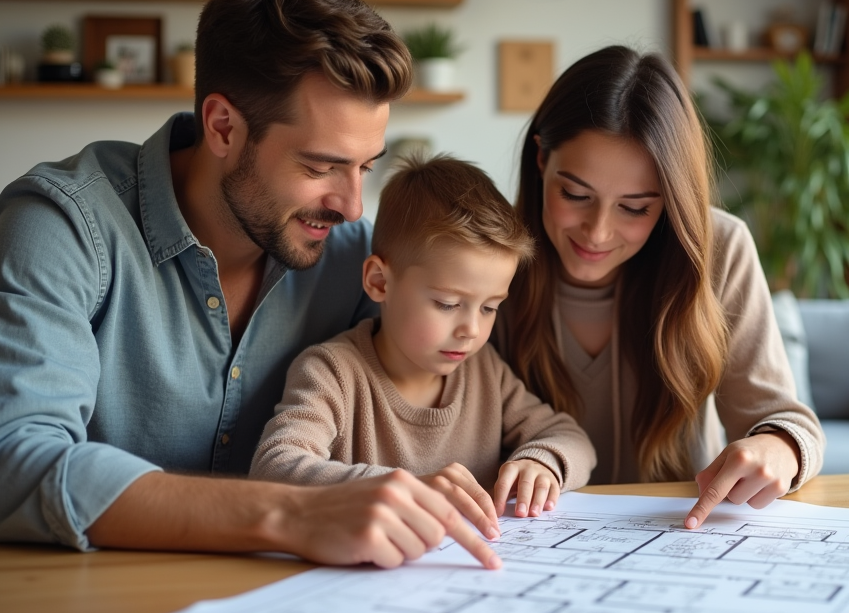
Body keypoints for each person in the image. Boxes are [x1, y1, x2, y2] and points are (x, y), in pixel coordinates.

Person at [0, 0, 500, 570]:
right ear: (222, 127)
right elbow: (1, 466)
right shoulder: (62, 225)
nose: (350, 205)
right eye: (320, 167)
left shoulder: (354, 258)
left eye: (366, 166)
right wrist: (290, 514)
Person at [496, 45, 825, 528]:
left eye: (635, 207)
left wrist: (777, 448)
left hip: (680, 536)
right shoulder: (488, 256)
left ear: (670, 200)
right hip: (525, 537)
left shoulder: (720, 249)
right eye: (575, 194)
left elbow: (788, 422)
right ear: (541, 157)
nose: (598, 232)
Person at [250, 155, 596, 532]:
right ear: (380, 282)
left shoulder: (484, 372)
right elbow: (274, 465)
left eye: (490, 307)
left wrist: (543, 462)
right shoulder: (332, 371)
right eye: (448, 304)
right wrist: (402, 488)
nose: (471, 329)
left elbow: (571, 439)